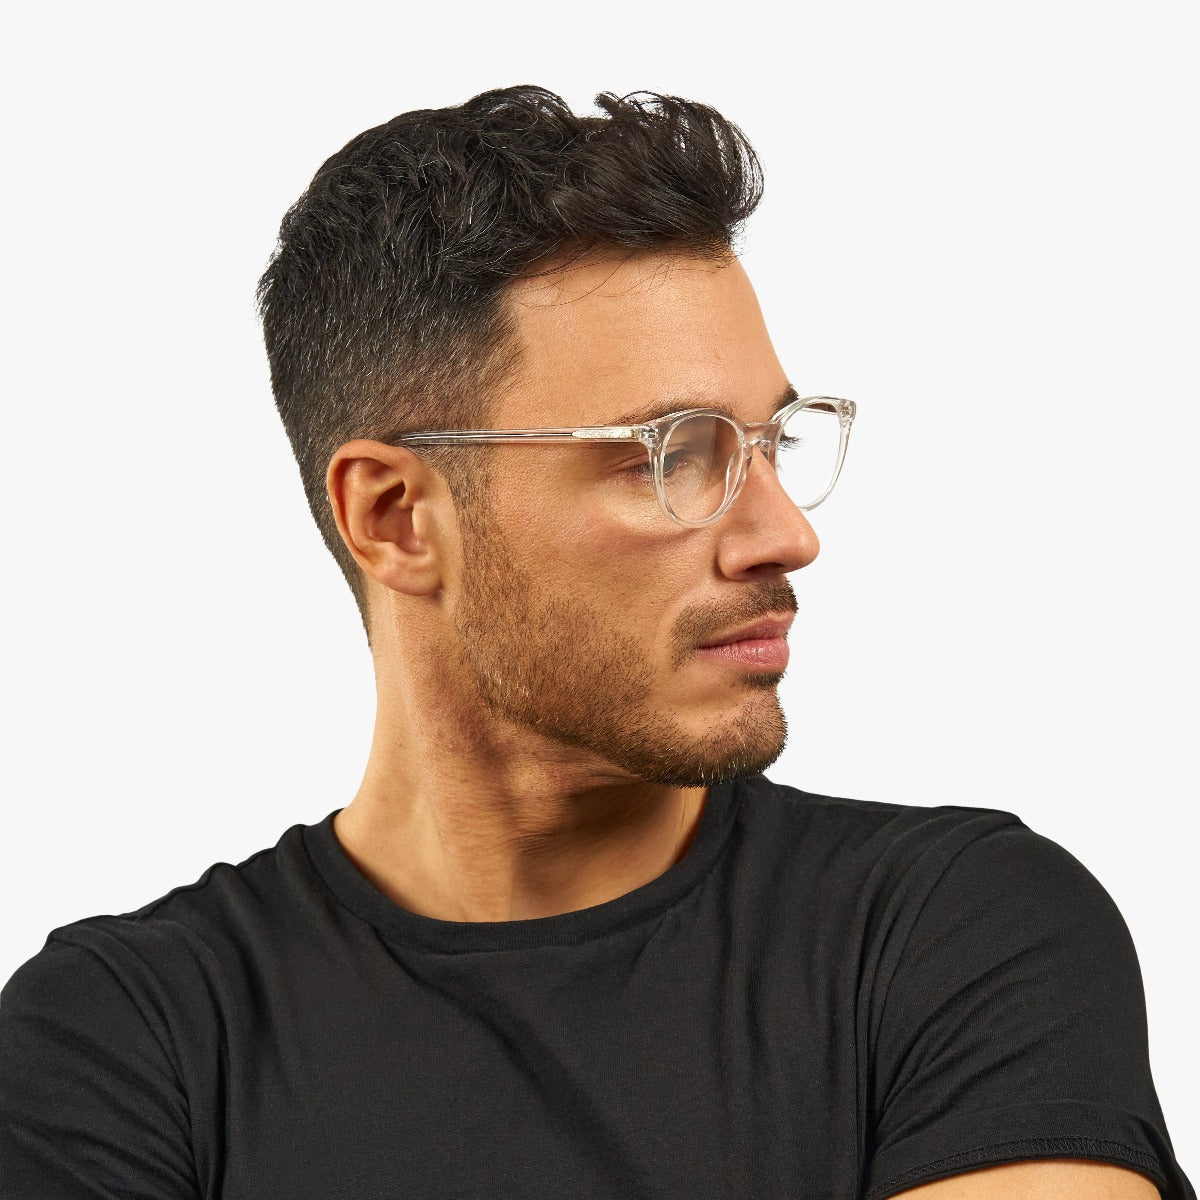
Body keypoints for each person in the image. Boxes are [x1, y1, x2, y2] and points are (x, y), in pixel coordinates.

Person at [0, 85, 1192, 1200]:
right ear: (396, 517)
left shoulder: (954, 934)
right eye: (673, 454)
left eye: (773, 441)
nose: (784, 536)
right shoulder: (126, 1039)